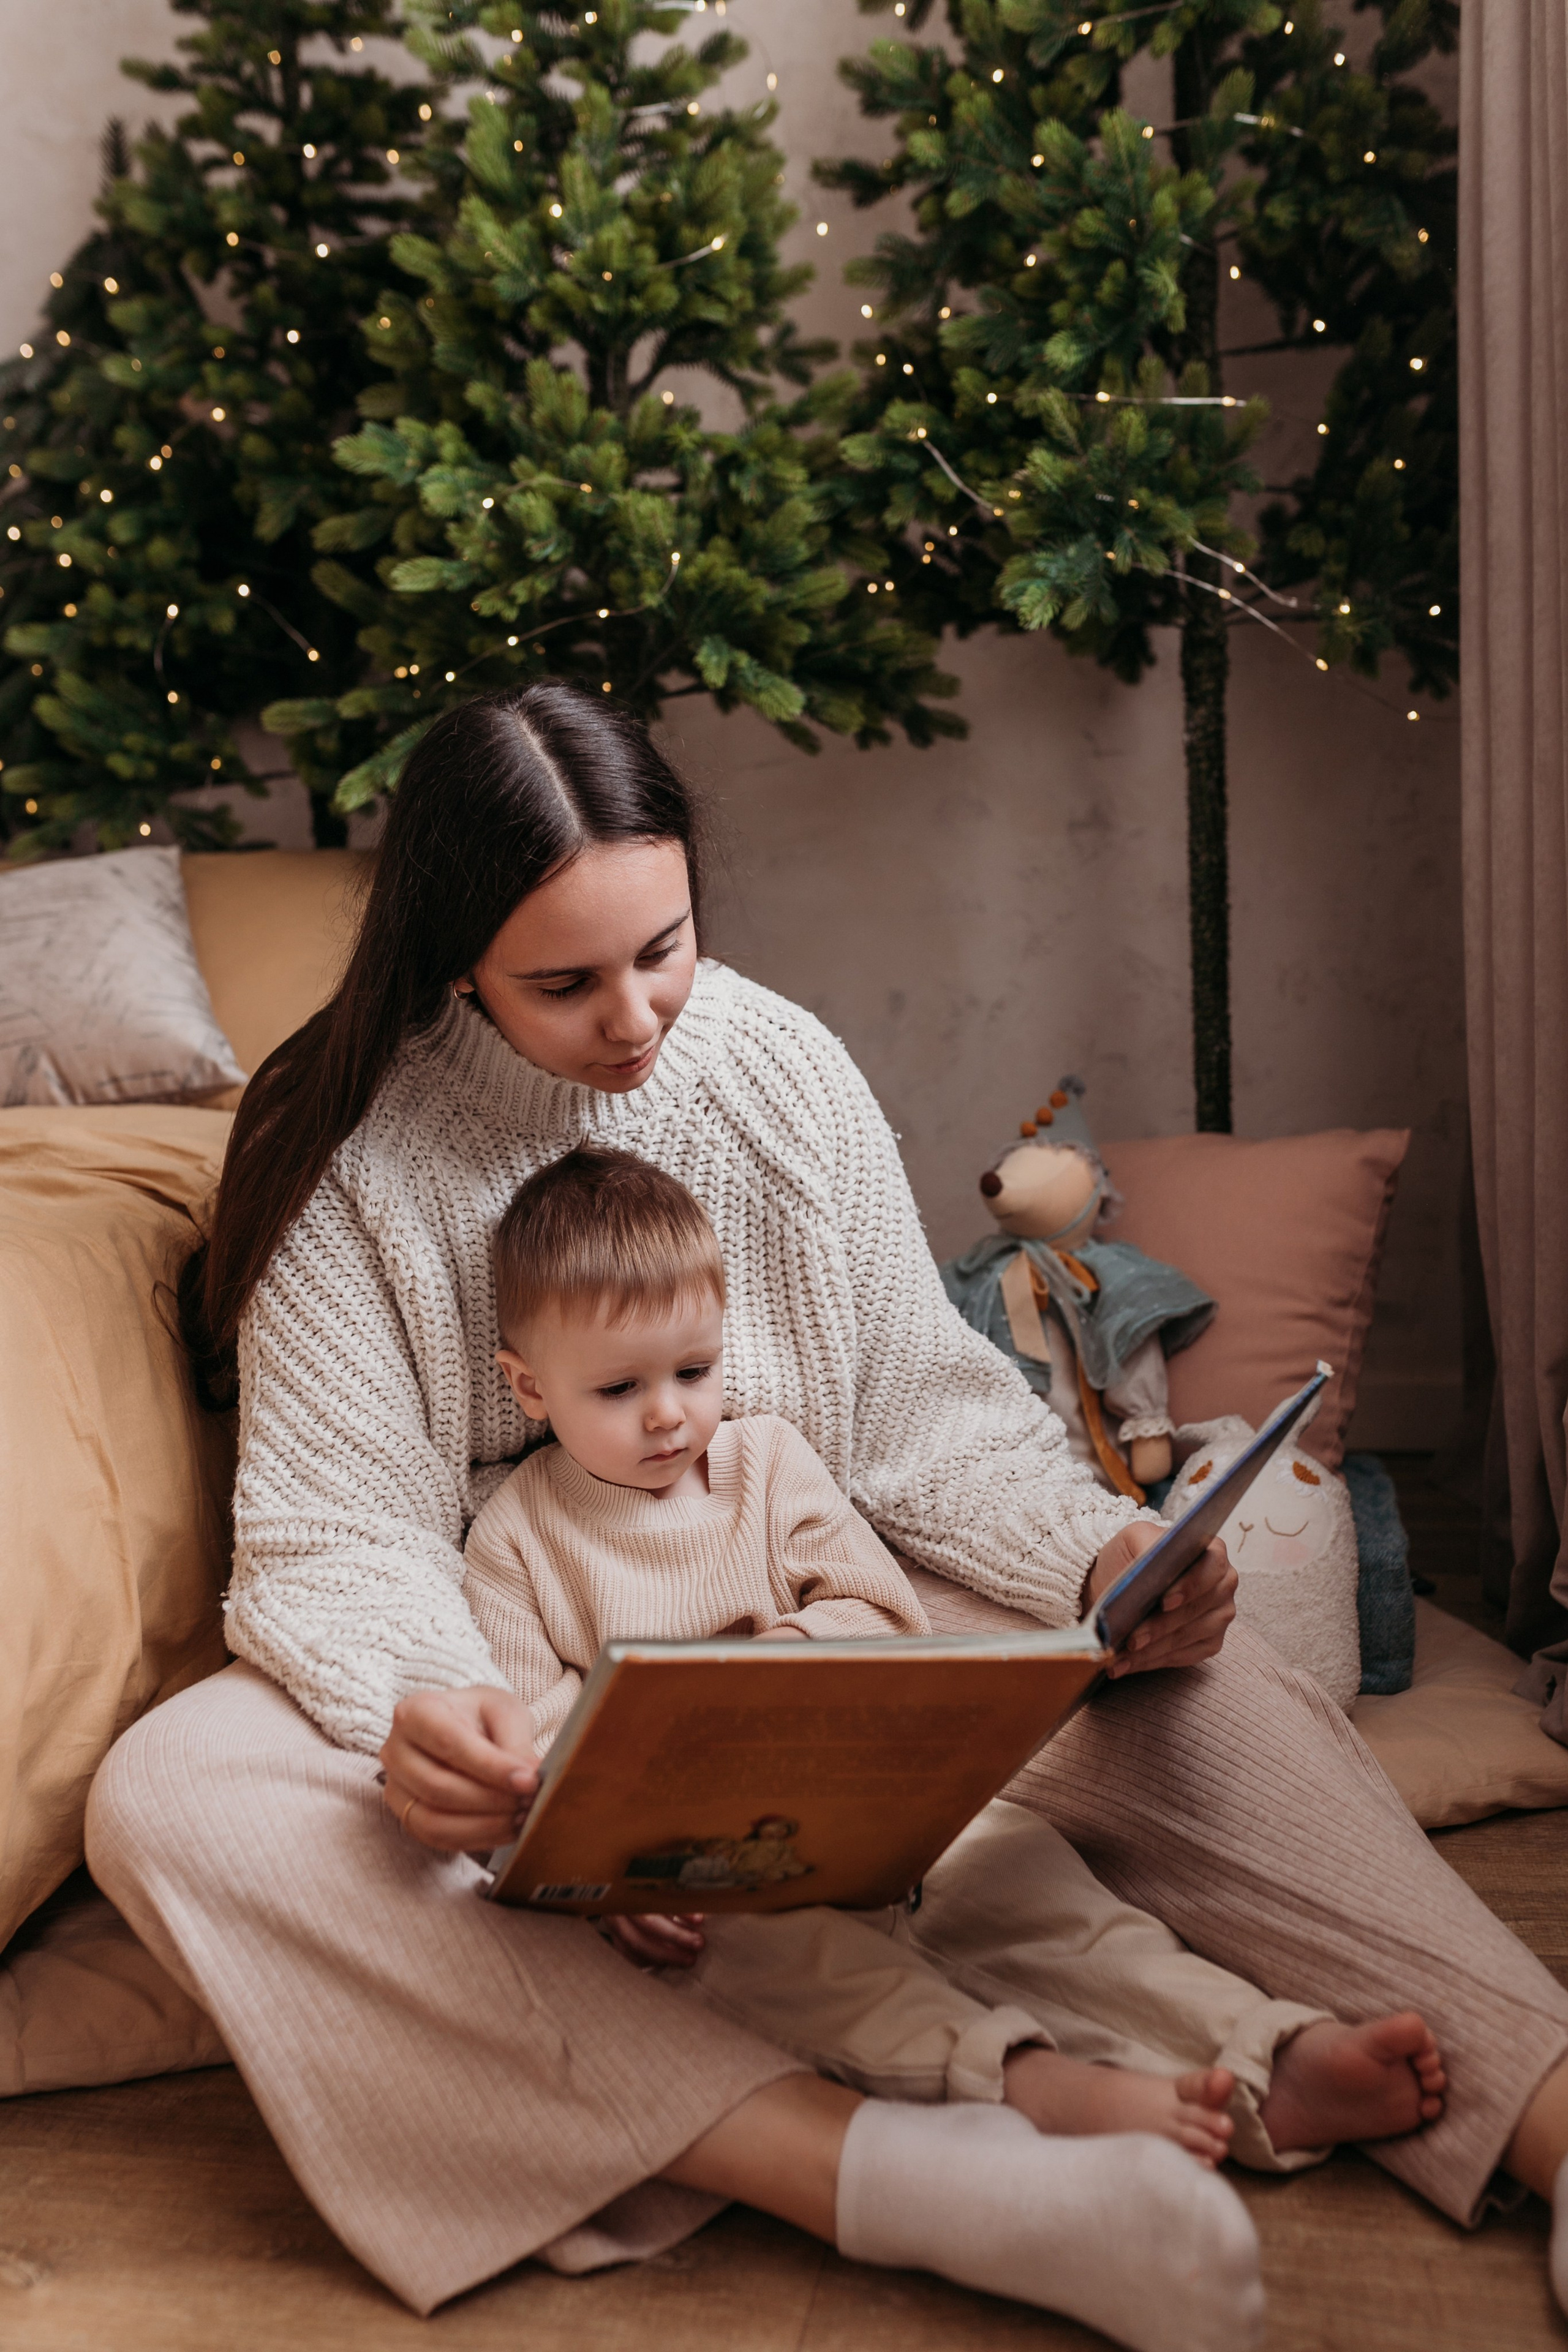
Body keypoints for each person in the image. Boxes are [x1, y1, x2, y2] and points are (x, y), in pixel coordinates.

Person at [82, 684, 1568, 2341]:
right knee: (177, 1795)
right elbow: (339, 1536)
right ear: (451, 956)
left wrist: (1099, 1559)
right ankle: (889, 2173)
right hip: (532, 1674)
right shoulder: (352, 1146)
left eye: (666, 944)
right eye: (565, 982)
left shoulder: (775, 1073)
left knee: (1206, 1701)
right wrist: (441, 1716)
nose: (638, 1015)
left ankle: (1551, 2117)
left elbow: (925, 1428)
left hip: (840, 1614)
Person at [463, 1141, 1447, 2177]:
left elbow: (880, 1613)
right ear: (530, 1388)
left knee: (1042, 1892)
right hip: (714, 1874)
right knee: (790, 1968)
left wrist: (783, 1663)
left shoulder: (764, 1461)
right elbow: (541, 1736)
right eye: (620, 1387)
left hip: (881, 1818)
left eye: (695, 1371)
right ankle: (1033, 2086)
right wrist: (621, 1873)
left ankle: (1267, 2049)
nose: (669, 1413)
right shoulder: (517, 1538)